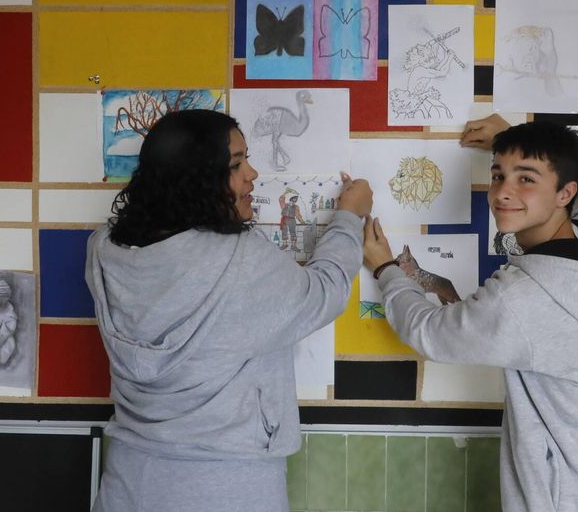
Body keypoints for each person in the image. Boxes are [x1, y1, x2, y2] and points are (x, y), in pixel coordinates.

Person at [84, 109, 373, 512]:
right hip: (230, 485)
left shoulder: (103, 250)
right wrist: (348, 218)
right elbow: (324, 292)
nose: (252, 174)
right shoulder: (240, 260)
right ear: (198, 180)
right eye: (236, 164)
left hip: (130, 482)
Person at [363, 114, 578, 512]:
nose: (502, 193)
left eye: (526, 178)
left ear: (566, 193)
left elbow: (429, 332)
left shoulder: (523, 298)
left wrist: (385, 269)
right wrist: (514, 140)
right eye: (498, 175)